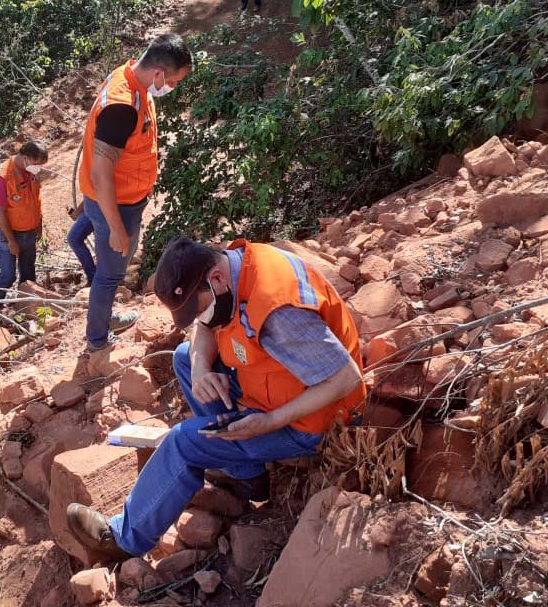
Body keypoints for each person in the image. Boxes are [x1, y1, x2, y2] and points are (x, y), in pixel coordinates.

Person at [66, 236, 369, 560]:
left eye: (200, 309)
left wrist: (269, 422)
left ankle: (124, 539)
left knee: (184, 441)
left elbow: (345, 378)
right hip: (277, 384)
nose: (202, 319)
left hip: (315, 418)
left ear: (217, 279)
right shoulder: (232, 267)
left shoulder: (279, 314)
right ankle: (248, 476)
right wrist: (199, 368)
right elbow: (205, 327)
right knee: (185, 357)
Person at [78, 33, 192, 354]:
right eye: (173, 80)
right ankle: (97, 340)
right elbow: (101, 174)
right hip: (116, 206)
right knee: (110, 273)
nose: (172, 87)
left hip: (124, 201)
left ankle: (106, 318)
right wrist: (116, 227)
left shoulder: (129, 75)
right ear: (157, 73)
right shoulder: (123, 106)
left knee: (111, 271)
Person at [0, 141, 50, 309]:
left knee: (28, 273)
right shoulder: (3, 177)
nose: (38, 168)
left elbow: (35, 201)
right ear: (25, 158)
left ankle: (27, 308)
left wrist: (39, 225)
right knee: (8, 275)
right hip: (10, 234)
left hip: (29, 230)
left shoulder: (30, 171)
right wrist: (11, 240)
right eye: (36, 164)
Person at [66, 205, 97, 285]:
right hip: (94, 206)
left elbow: (94, 194)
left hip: (97, 207)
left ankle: (93, 278)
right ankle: (94, 278)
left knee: (74, 238)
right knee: (74, 238)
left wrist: (77, 212)